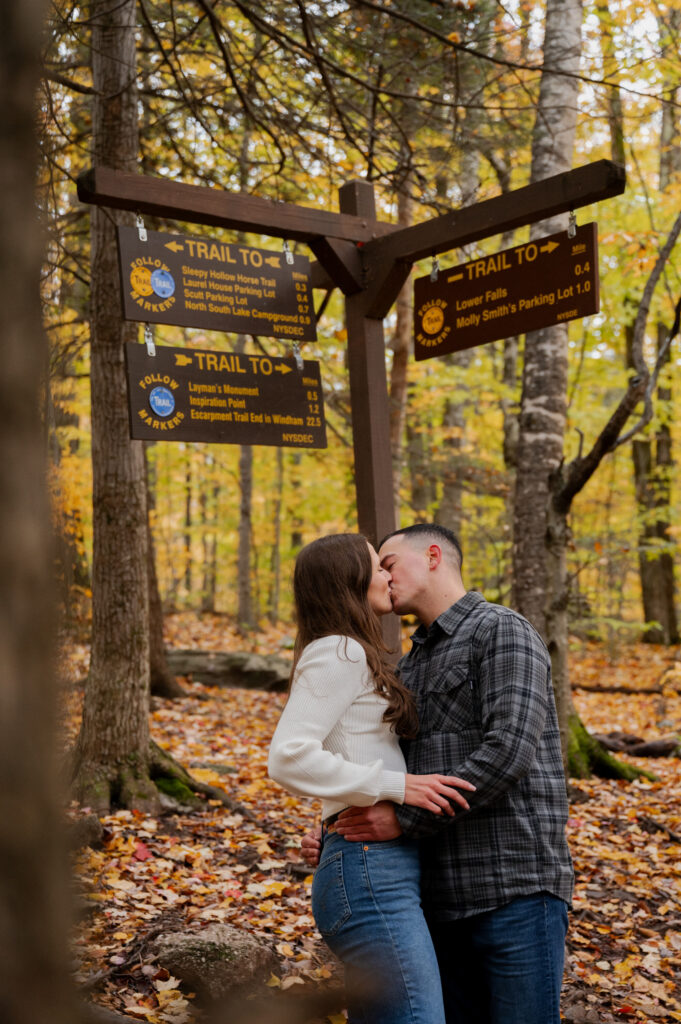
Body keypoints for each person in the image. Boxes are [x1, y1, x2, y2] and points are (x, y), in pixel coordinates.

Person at [302, 523, 574, 1024]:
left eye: (387, 563)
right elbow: (379, 762)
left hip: (512, 887)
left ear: (432, 556)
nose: (381, 576)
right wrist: (339, 820)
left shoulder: (502, 629)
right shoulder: (409, 665)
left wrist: (403, 819)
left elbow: (508, 750)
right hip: (437, 901)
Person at [268, 533, 475, 1024]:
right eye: (376, 567)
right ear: (350, 582)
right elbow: (287, 758)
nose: (387, 575)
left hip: (370, 865)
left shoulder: (353, 653)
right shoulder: (339, 651)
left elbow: (347, 744)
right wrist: (398, 787)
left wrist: (329, 824)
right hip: (368, 870)